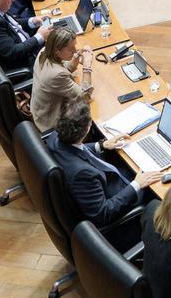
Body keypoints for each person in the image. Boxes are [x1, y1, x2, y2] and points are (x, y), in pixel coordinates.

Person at [47, 98, 157, 249]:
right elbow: (103, 213)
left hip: (108, 183)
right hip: (123, 219)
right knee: (160, 191)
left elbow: (75, 151)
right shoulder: (82, 174)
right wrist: (137, 185)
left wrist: (101, 145)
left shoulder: (55, 138)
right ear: (87, 128)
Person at [31, 29, 93, 131]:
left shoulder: (44, 52)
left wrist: (76, 56)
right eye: (71, 49)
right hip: (51, 124)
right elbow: (85, 97)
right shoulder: (55, 75)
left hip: (39, 113)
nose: (75, 50)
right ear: (57, 51)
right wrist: (87, 66)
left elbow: (64, 68)